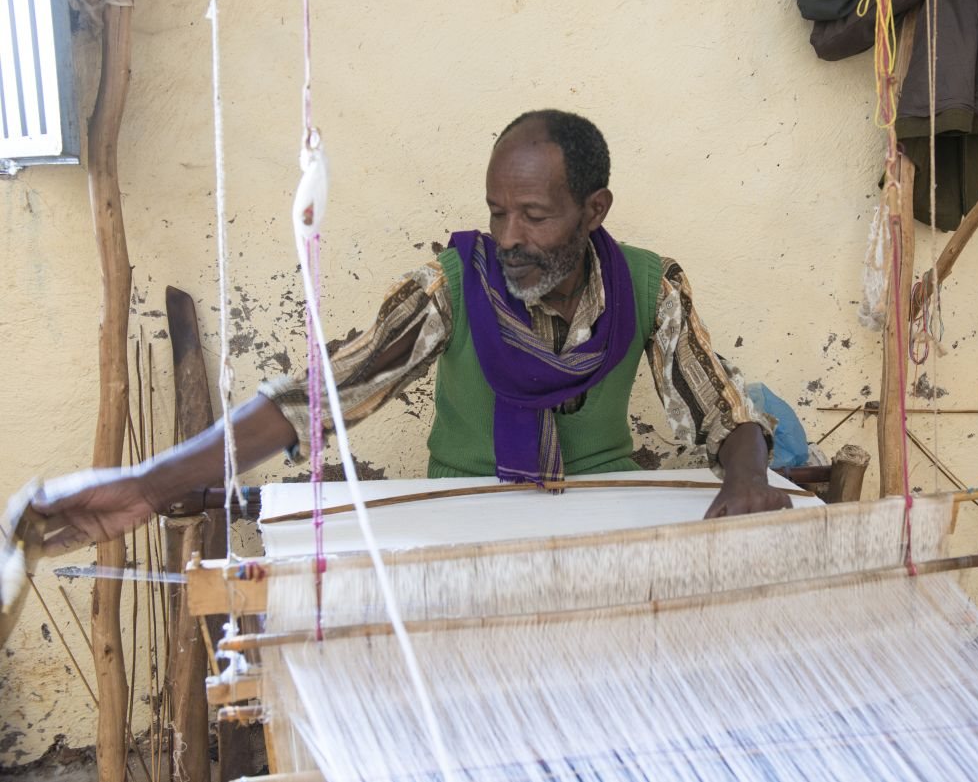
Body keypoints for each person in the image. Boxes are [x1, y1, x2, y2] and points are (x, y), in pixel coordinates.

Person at [29, 110, 790, 554]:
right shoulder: (452, 290)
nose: (508, 236)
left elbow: (721, 409)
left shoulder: (650, 287)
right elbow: (319, 399)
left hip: (606, 523)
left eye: (534, 214)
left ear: (595, 210)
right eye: (497, 212)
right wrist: (145, 484)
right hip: (468, 526)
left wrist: (750, 473)